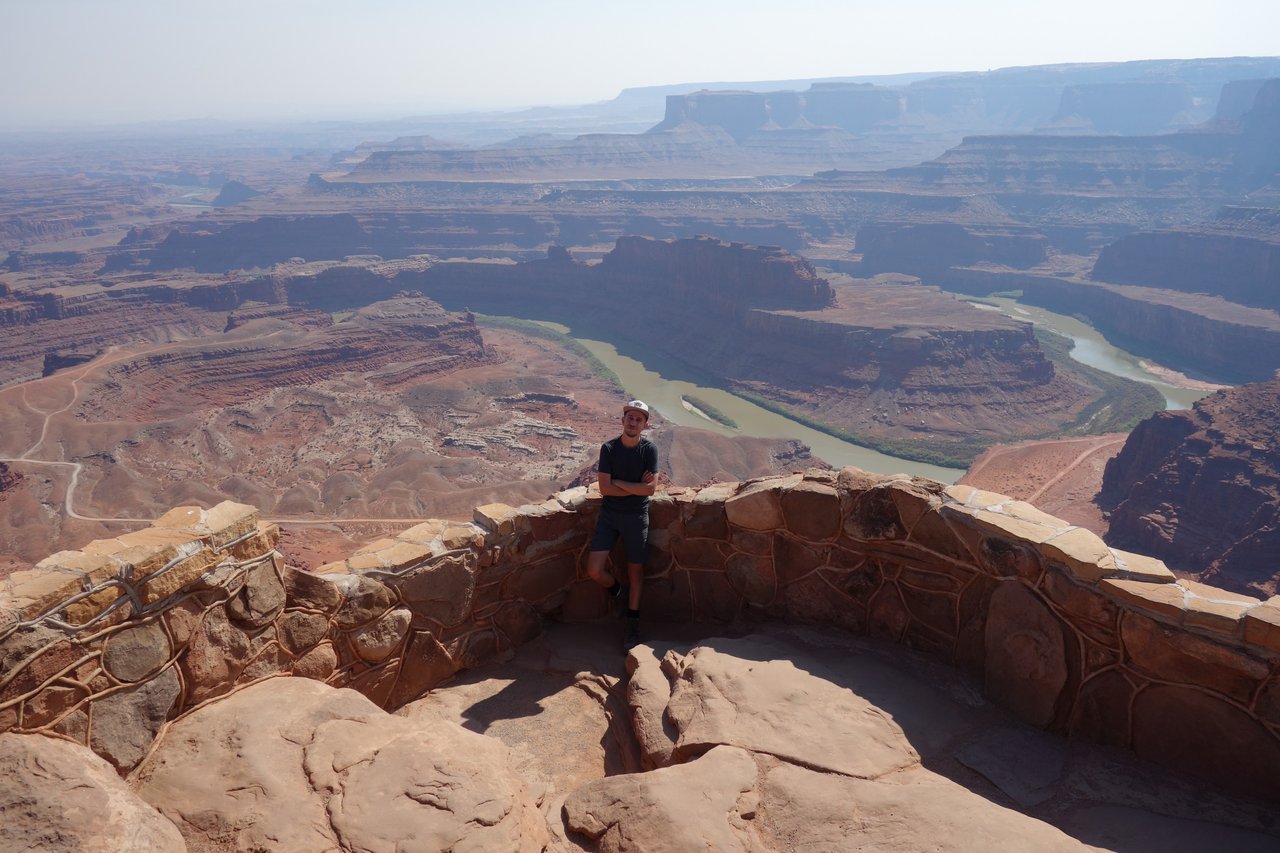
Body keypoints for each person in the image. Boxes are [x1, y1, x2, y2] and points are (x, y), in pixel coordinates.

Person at [586, 399, 659, 651]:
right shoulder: (608, 448)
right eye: (630, 417)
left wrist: (618, 482)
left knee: (635, 572)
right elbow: (605, 490)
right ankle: (617, 591)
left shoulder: (649, 450)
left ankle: (632, 623)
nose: (633, 422)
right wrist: (634, 487)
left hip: (637, 517)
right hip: (610, 516)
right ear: (622, 420)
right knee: (594, 570)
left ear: (645, 424)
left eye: (639, 419)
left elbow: (650, 489)